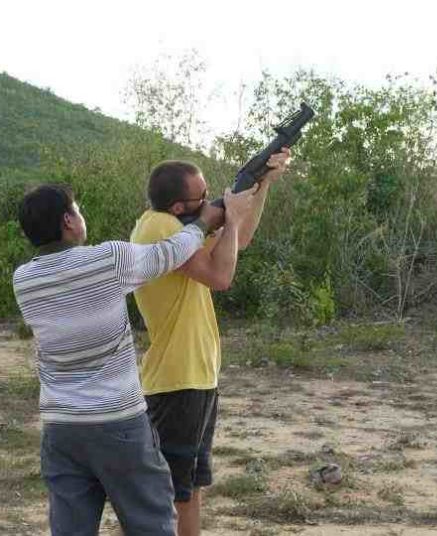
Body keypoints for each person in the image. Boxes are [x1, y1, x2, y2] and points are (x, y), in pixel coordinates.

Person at [12, 183, 256, 536]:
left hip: (61, 427)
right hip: (118, 422)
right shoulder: (108, 259)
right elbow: (170, 253)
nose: (81, 216)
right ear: (68, 221)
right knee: (151, 522)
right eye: (77, 210)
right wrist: (203, 221)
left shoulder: (24, 279)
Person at [130, 149, 290, 536]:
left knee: (189, 487)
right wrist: (230, 216)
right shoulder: (158, 229)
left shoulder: (180, 228)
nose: (211, 203)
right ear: (178, 205)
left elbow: (241, 239)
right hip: (176, 379)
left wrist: (262, 183)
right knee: (169, 491)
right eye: (203, 197)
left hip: (195, 376)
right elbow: (221, 276)